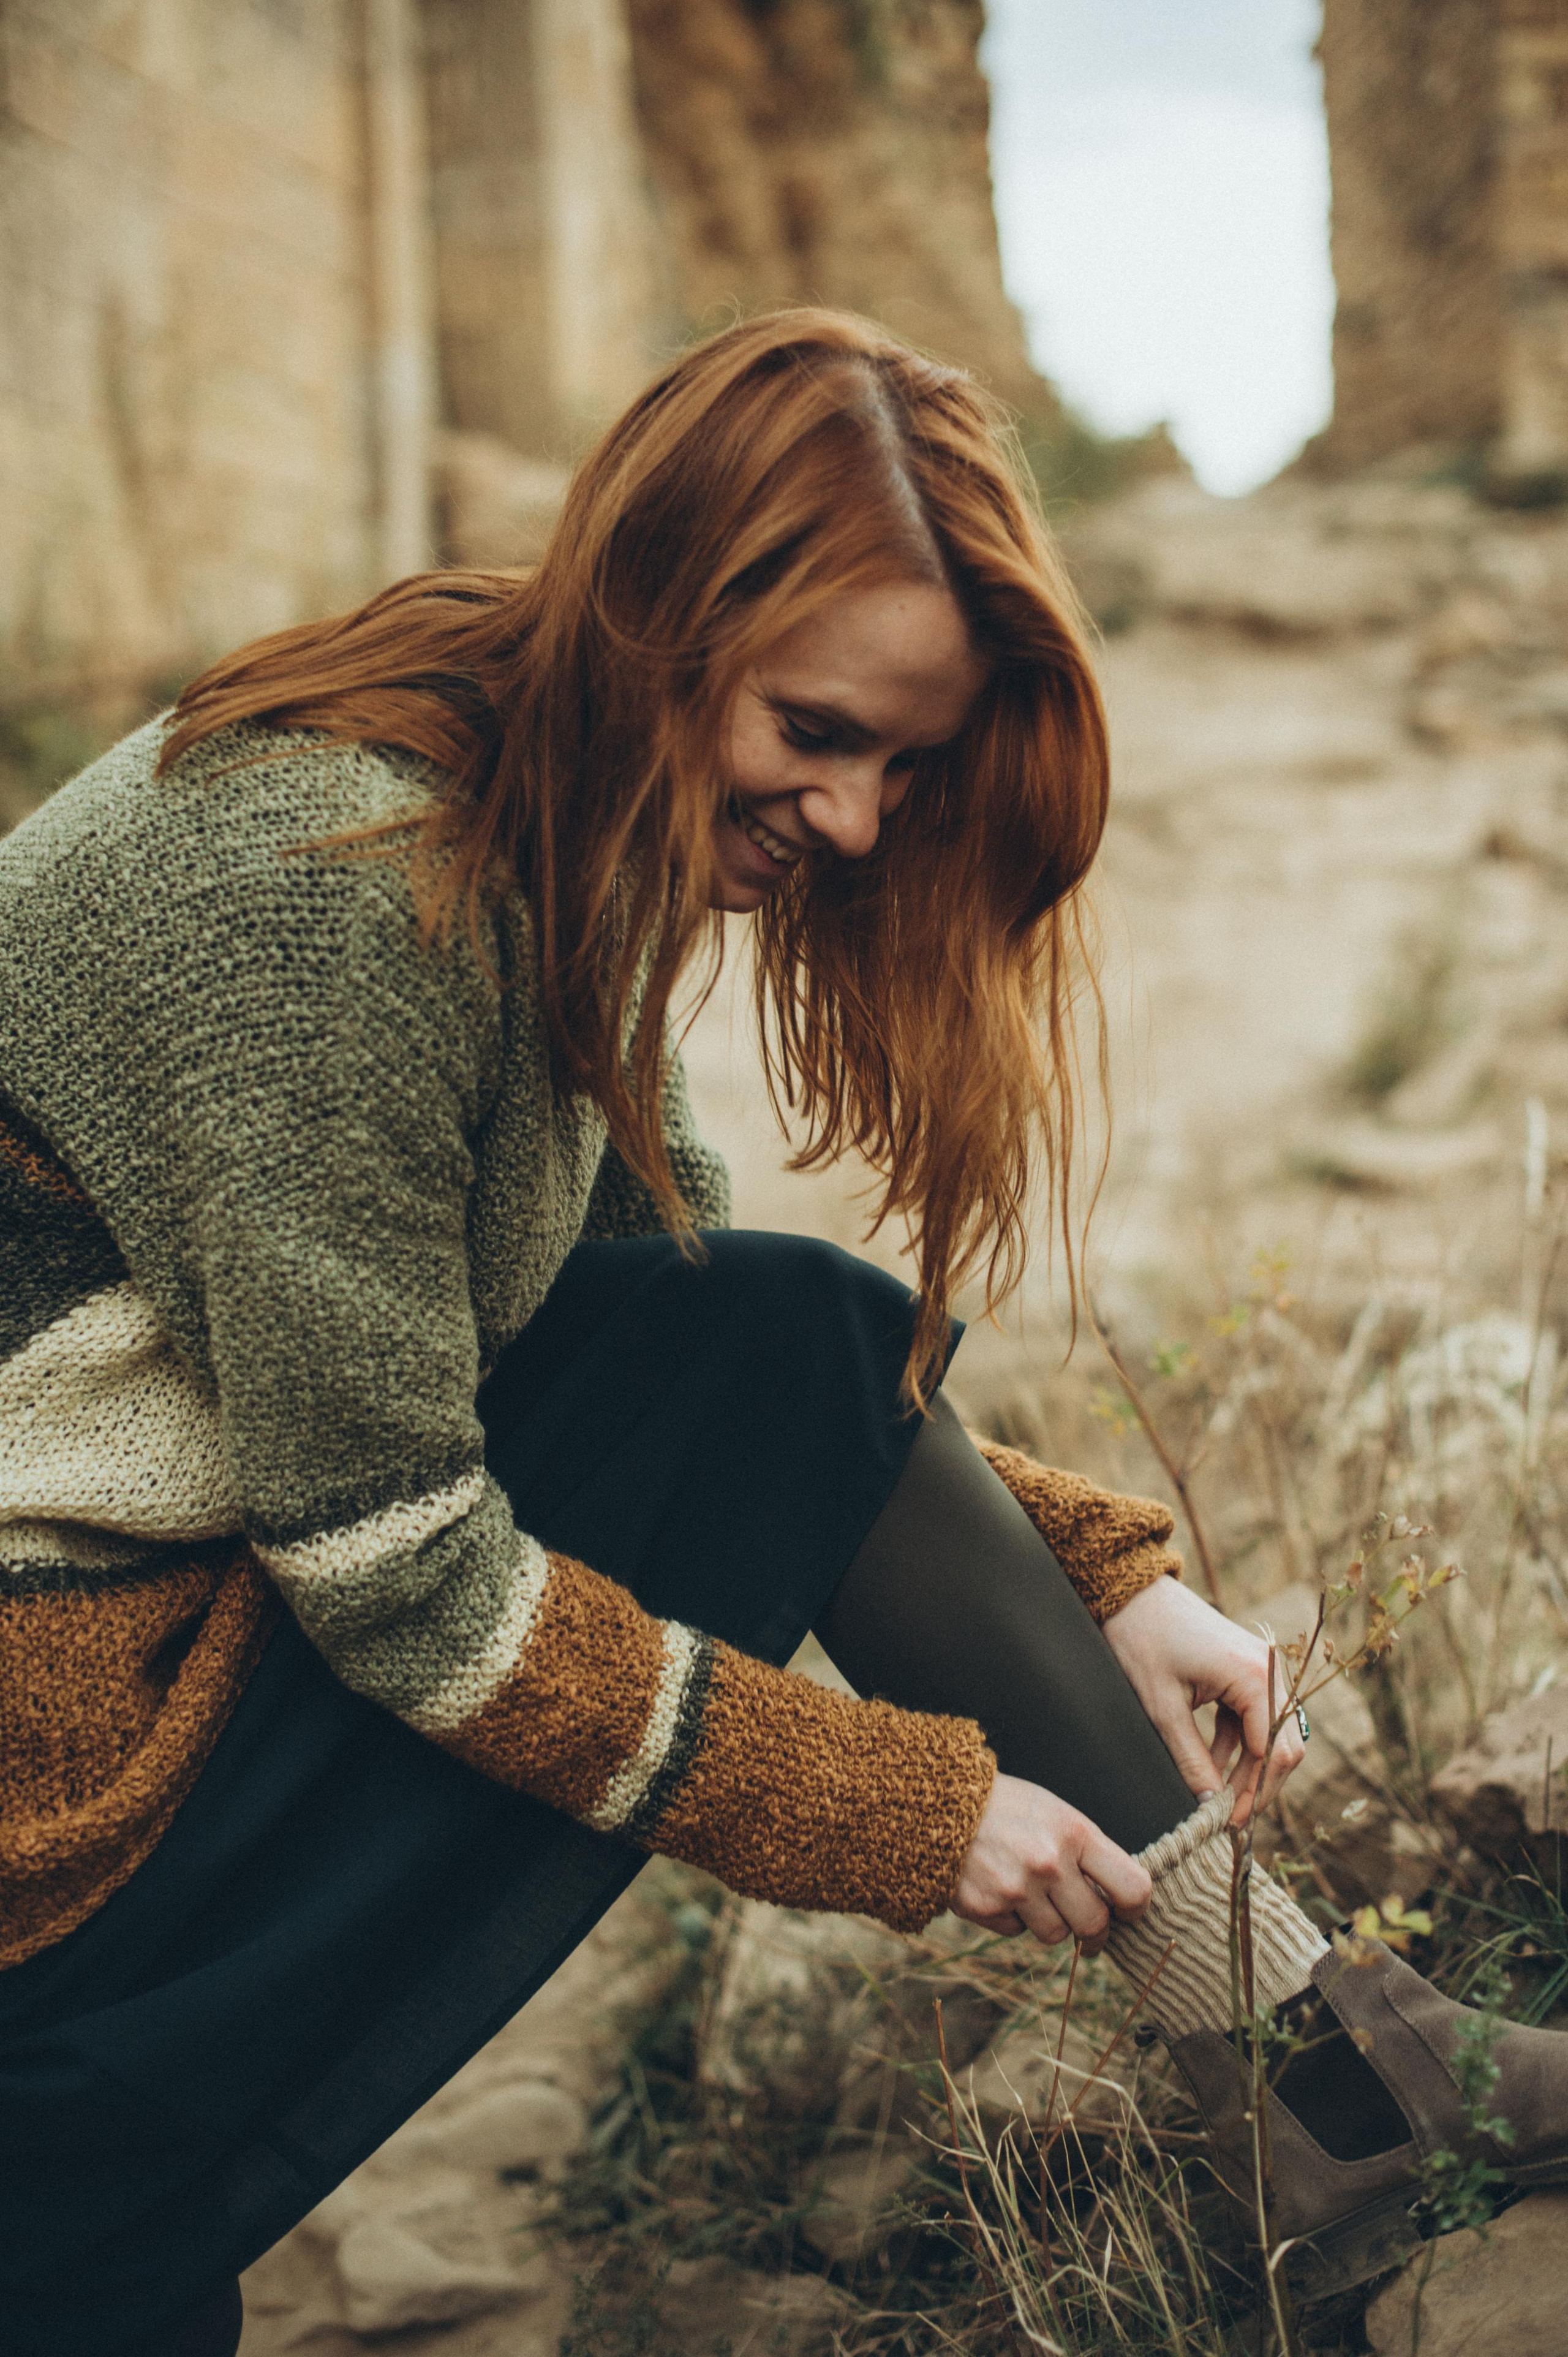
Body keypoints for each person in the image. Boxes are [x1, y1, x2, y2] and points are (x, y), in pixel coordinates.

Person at [1, 311, 1562, 2355]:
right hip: (57, 1778)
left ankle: (1333, 2077)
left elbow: (683, 1332)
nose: (854, 820)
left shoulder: (531, 786)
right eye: (818, 733)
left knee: (764, 1323)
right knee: (87, 2252)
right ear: (661, 618)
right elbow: (402, 1577)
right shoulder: (333, 889)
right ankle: (1344, 2085)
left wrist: (1108, 1586)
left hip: (164, 1652)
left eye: (900, 770)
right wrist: (906, 1806)